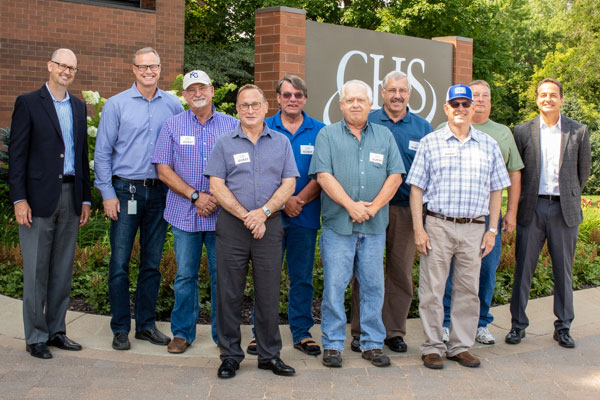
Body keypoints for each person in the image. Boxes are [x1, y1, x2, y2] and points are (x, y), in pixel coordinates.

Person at [406, 84, 510, 370]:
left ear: (473, 107)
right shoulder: (431, 142)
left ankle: (460, 347)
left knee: (467, 291)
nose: (461, 109)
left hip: (474, 229)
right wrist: (418, 228)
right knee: (432, 289)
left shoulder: (488, 145)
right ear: (446, 109)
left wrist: (492, 230)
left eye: (466, 104)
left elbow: (495, 191)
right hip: (438, 225)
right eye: (456, 104)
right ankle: (432, 347)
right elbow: (416, 189)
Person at [205, 84, 299, 379]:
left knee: (269, 293)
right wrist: (246, 215)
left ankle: (270, 355)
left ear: (265, 107)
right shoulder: (224, 143)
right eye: (244, 105)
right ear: (237, 109)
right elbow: (216, 185)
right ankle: (230, 355)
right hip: (233, 226)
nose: (250, 110)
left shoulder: (281, 142)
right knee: (228, 292)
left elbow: (289, 184)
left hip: (269, 227)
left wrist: (264, 213)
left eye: (255, 104)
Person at [309, 80, 404, 368]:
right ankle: (333, 344)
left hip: (374, 228)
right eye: (349, 100)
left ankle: (372, 343)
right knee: (335, 287)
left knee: (374, 286)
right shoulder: (327, 135)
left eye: (361, 100)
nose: (355, 104)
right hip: (339, 226)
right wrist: (350, 206)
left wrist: (373, 208)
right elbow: (323, 175)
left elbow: (396, 175)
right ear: (341, 104)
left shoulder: (384, 136)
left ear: (370, 104)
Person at [95, 47, 183, 351]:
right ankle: (120, 327)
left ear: (160, 69)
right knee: (119, 263)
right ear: (133, 69)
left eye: (154, 66)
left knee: (152, 263)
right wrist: (107, 193)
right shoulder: (116, 105)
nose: (149, 71)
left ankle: (145, 325)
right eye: (143, 67)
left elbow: (180, 149)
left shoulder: (173, 105)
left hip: (159, 192)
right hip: (124, 191)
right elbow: (103, 152)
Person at [9, 48, 91, 359]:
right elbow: (17, 157)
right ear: (50, 66)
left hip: (71, 197)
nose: (67, 71)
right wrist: (19, 199)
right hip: (37, 200)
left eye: (72, 67)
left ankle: (57, 331)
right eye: (62, 65)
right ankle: (35, 336)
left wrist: (85, 197)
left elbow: (81, 156)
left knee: (62, 270)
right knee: (36, 271)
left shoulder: (79, 107)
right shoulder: (29, 103)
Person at [152, 70, 238, 353]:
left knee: (221, 276)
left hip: (222, 216)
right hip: (183, 214)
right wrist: (195, 196)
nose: (197, 93)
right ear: (185, 95)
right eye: (191, 90)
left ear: (212, 91)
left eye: (202, 88)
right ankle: (182, 333)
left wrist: (215, 198)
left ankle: (222, 336)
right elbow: (163, 169)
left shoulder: (232, 125)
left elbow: (240, 168)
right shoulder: (172, 125)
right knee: (185, 276)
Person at [350, 71, 432, 354]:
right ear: (382, 93)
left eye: (403, 90)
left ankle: (394, 330)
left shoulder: (422, 128)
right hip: (370, 209)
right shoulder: (368, 120)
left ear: (409, 94)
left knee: (400, 271)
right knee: (365, 271)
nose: (397, 95)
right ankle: (361, 330)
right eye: (392, 90)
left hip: (406, 210)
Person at [506, 78, 591, 348]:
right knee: (523, 270)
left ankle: (563, 327)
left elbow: (583, 172)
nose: (547, 99)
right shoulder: (522, 131)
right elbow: (516, 173)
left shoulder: (578, 131)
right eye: (543, 95)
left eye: (553, 95)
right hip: (532, 207)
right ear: (536, 99)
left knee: (563, 271)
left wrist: (568, 193)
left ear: (561, 99)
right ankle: (518, 326)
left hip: (564, 210)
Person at [245, 76, 325, 357]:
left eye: (299, 95)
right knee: (266, 277)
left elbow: (323, 173)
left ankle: (302, 333)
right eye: (287, 94)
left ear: (305, 98)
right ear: (277, 98)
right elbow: (258, 172)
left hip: (305, 214)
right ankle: (260, 334)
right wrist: (280, 203)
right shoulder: (263, 128)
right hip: (270, 216)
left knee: (301, 277)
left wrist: (298, 200)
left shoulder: (320, 131)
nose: (293, 99)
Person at [441, 80, 524, 345]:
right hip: (454, 213)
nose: (478, 100)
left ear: (490, 100)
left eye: (484, 96)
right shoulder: (445, 128)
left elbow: (513, 173)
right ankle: (445, 321)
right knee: (452, 269)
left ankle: (481, 322)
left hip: (488, 215)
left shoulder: (502, 133)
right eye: (473, 95)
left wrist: (510, 213)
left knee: (487, 269)